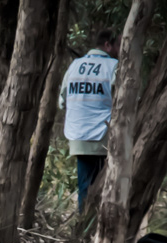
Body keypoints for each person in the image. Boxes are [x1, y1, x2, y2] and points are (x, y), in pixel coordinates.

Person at [59, 29, 119, 213]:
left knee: (85, 186)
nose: (120, 50)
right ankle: (94, 224)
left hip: (78, 134)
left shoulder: (75, 66)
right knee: (106, 187)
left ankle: (83, 221)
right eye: (118, 45)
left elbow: (62, 100)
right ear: (108, 45)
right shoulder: (113, 66)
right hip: (103, 135)